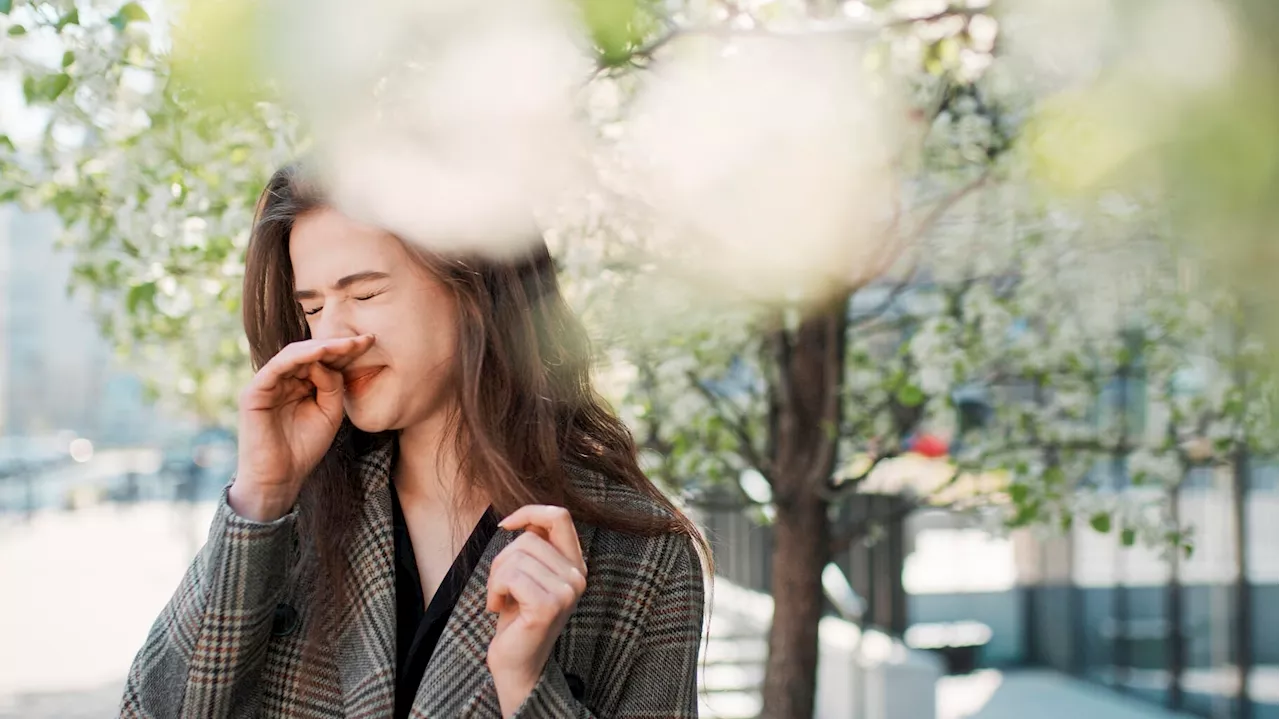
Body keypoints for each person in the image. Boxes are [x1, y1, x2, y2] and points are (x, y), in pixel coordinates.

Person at [120, 164, 708, 718]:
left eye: (366, 294)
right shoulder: (286, 523)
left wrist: (528, 686)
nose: (331, 336)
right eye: (313, 307)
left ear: (476, 288)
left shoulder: (641, 554)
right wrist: (260, 500)